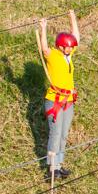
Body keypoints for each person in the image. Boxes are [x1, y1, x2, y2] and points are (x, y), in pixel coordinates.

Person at [36, 11, 80, 181]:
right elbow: (44, 48)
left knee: (63, 134)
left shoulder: (69, 56)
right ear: (60, 46)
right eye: (67, 46)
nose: (70, 49)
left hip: (68, 100)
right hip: (54, 100)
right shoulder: (54, 55)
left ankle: (59, 166)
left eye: (71, 47)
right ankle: (51, 169)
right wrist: (43, 28)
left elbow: (75, 36)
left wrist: (72, 18)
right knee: (55, 134)